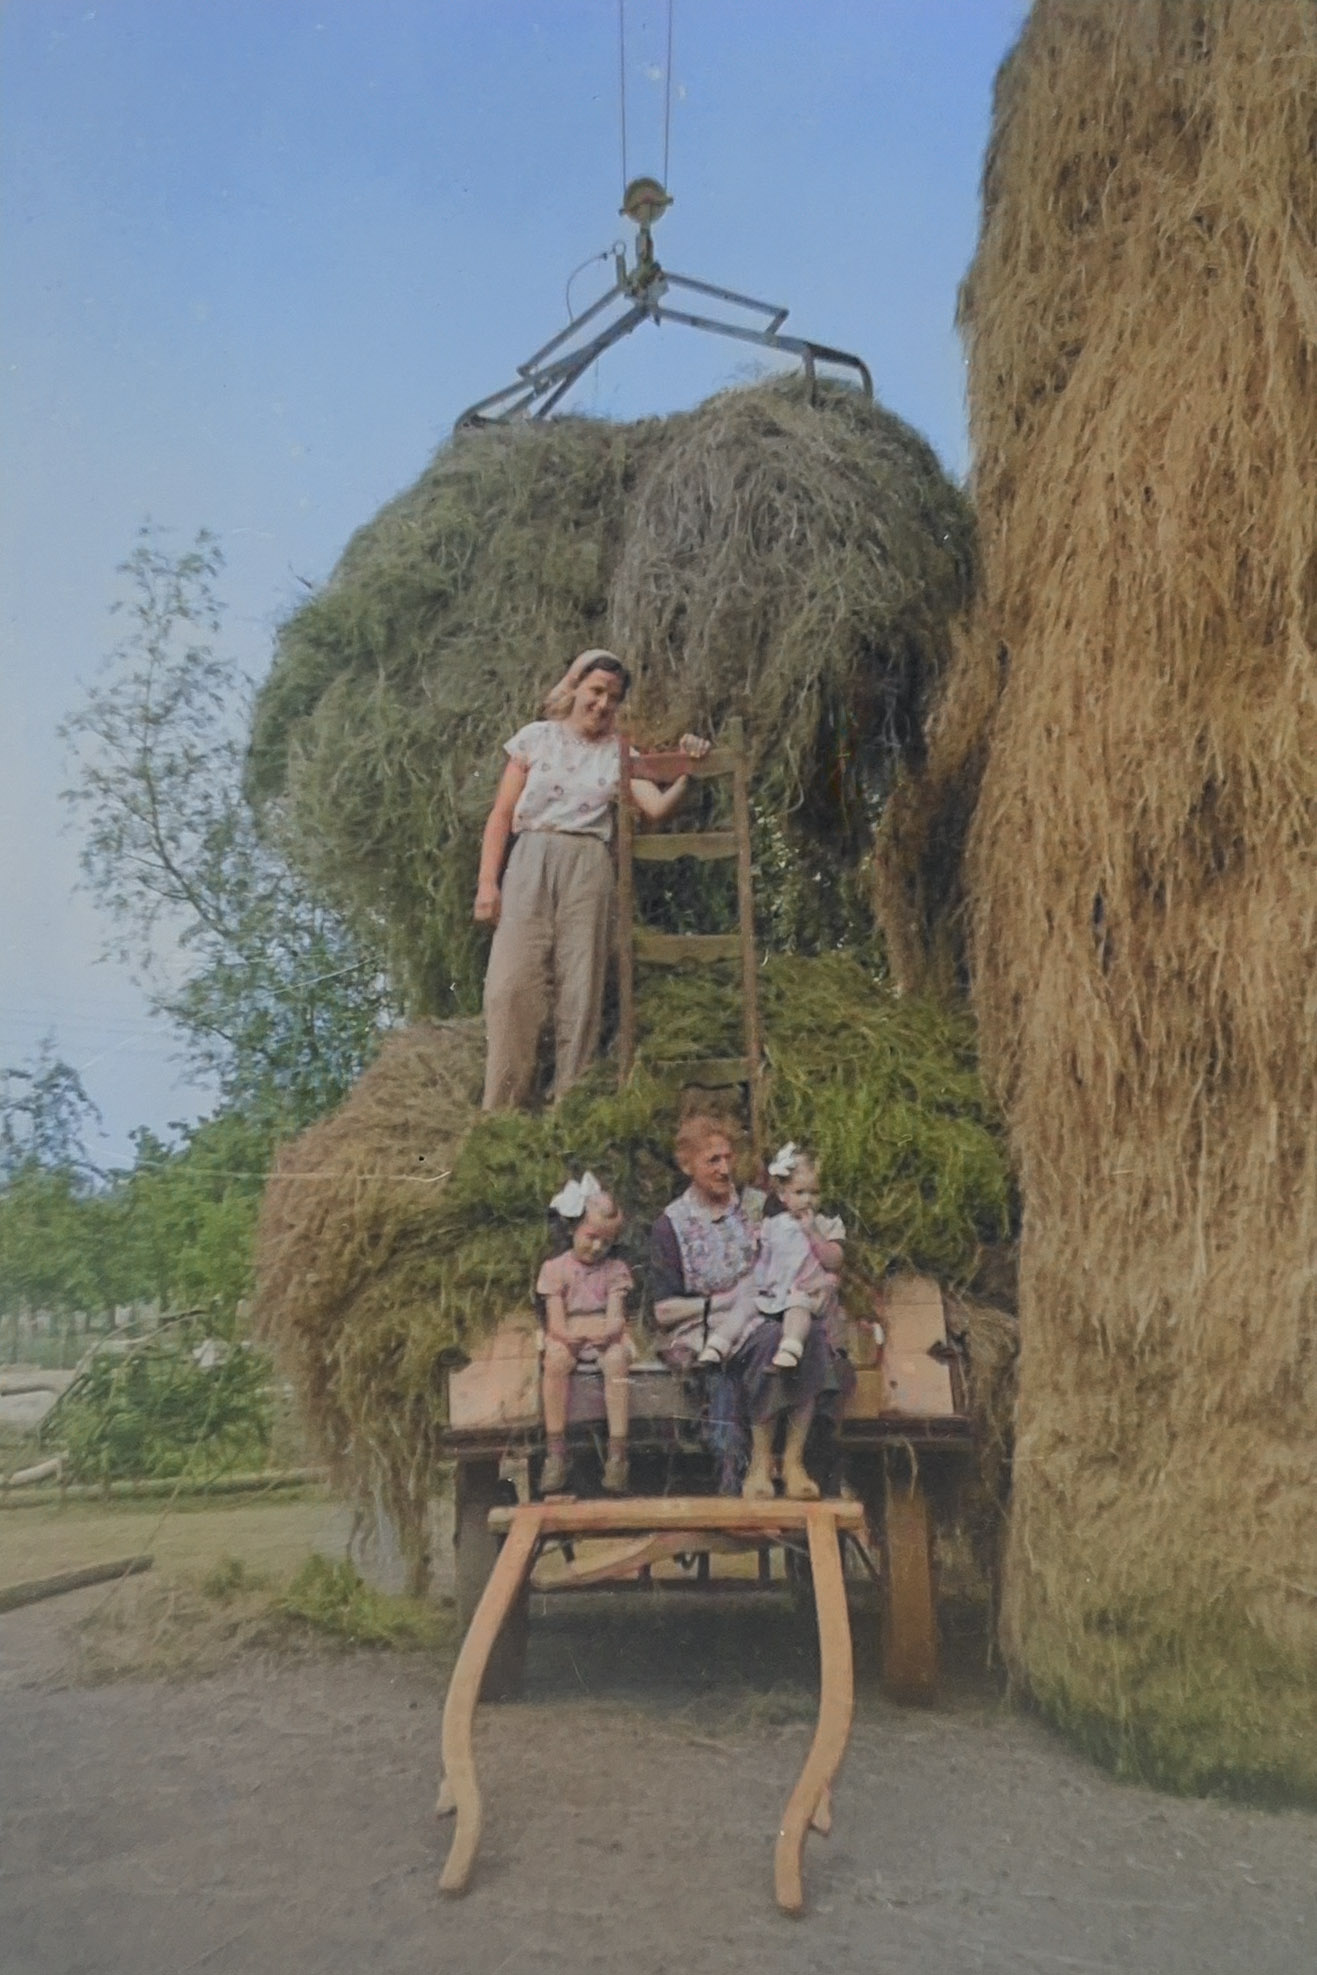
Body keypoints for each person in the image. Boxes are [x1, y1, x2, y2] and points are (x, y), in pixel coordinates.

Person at [474, 649, 709, 1111]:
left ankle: (568, 1107)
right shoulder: (536, 739)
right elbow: (501, 815)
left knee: (579, 988)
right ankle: (500, 1113)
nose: (602, 704)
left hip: (588, 865)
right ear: (576, 687)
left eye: (613, 698)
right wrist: (488, 883)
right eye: (596, 691)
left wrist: (689, 769)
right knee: (509, 987)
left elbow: (657, 808)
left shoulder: (619, 754)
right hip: (530, 859)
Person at [649, 1113, 843, 1501]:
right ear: (687, 1166)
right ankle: (758, 1461)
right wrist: (717, 1303)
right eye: (712, 1161)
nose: (724, 1169)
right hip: (712, 1322)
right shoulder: (670, 1225)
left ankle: (793, 1460)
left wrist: (820, 1282)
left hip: (771, 1305)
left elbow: (802, 1255)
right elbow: (663, 1311)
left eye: (728, 1158)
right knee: (773, 1338)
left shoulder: (761, 1206)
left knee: (807, 1333)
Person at [536, 1175, 635, 1495]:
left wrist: (608, 1333)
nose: (597, 1247)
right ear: (572, 1230)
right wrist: (567, 1337)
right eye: (591, 1237)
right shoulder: (555, 1268)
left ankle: (618, 1452)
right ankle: (556, 1450)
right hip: (569, 1333)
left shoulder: (615, 1270)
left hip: (602, 1333)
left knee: (617, 1360)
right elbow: (555, 1321)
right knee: (555, 1360)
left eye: (605, 1242)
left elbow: (616, 1315)